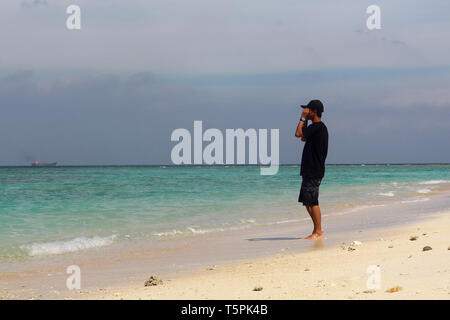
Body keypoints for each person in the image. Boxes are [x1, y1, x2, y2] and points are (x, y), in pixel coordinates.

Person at [294, 99, 328, 239]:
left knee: (312, 202)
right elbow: (303, 137)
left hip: (314, 170)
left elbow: (298, 134)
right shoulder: (316, 128)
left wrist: (302, 118)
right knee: (308, 202)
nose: (305, 112)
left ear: (314, 111)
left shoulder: (318, 127)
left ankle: (318, 231)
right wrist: (306, 120)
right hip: (311, 170)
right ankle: (317, 230)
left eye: (308, 110)